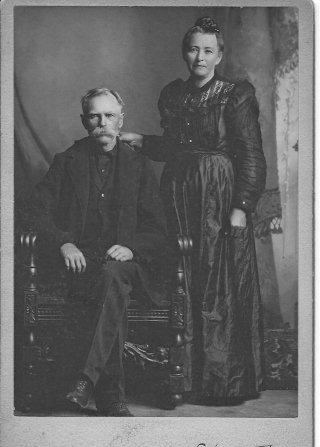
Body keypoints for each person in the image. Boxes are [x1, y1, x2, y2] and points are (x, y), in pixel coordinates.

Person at [120, 17, 267, 406]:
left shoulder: (235, 94)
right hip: (177, 191)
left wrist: (241, 207)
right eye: (192, 49)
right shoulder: (173, 93)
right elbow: (172, 147)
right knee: (182, 274)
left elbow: (251, 154)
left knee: (216, 280)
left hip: (218, 193)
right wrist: (143, 141)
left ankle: (220, 382)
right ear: (184, 52)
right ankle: (182, 377)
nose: (198, 57)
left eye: (207, 50)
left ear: (219, 55)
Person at [21, 87, 167, 416]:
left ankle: (85, 381)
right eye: (95, 116)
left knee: (113, 275)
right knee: (107, 283)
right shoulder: (67, 161)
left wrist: (131, 247)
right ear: (84, 121)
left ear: (121, 119)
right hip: (80, 266)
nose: (103, 122)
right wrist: (63, 241)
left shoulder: (140, 166)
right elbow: (33, 210)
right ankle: (112, 399)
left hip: (128, 264)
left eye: (109, 115)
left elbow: (159, 230)